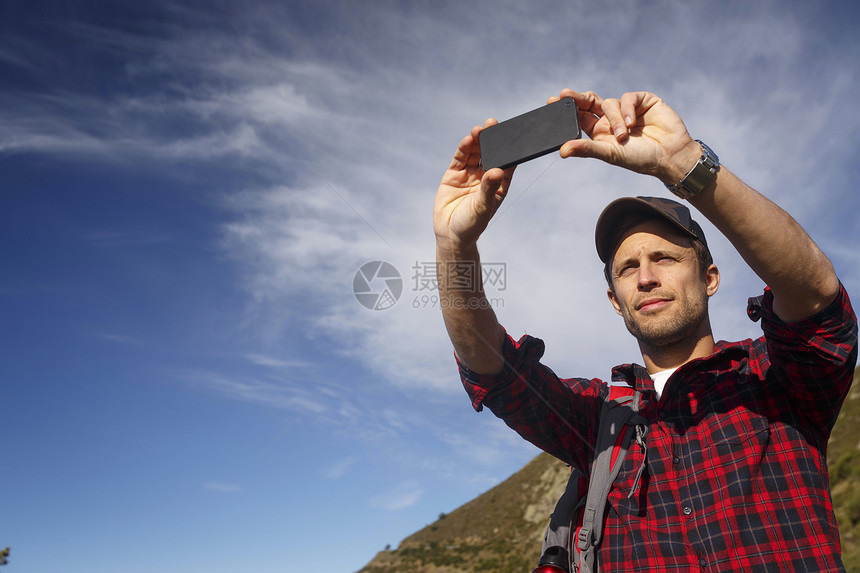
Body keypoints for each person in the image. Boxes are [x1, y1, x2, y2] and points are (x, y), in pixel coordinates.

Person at [433, 89, 858, 572]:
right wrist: (454, 243)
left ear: (710, 278)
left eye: (665, 258)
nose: (646, 278)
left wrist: (684, 165)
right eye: (627, 269)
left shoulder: (776, 379)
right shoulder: (597, 423)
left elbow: (817, 296)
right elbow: (494, 371)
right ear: (616, 302)